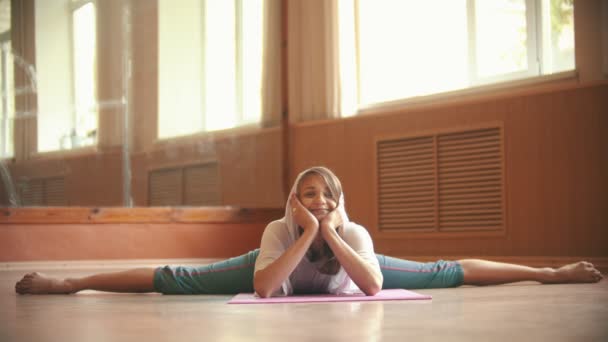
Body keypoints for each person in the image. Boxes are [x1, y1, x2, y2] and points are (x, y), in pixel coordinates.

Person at [15, 166, 603, 296]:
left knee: (447, 272)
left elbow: (373, 288)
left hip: (348, 271)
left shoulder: (357, 232)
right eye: (308, 194)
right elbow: (266, 290)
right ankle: (70, 284)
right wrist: (301, 233)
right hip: (276, 266)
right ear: (292, 202)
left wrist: (336, 233)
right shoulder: (279, 229)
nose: (318, 201)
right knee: (174, 278)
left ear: (342, 204)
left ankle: (552, 272)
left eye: (328, 195)